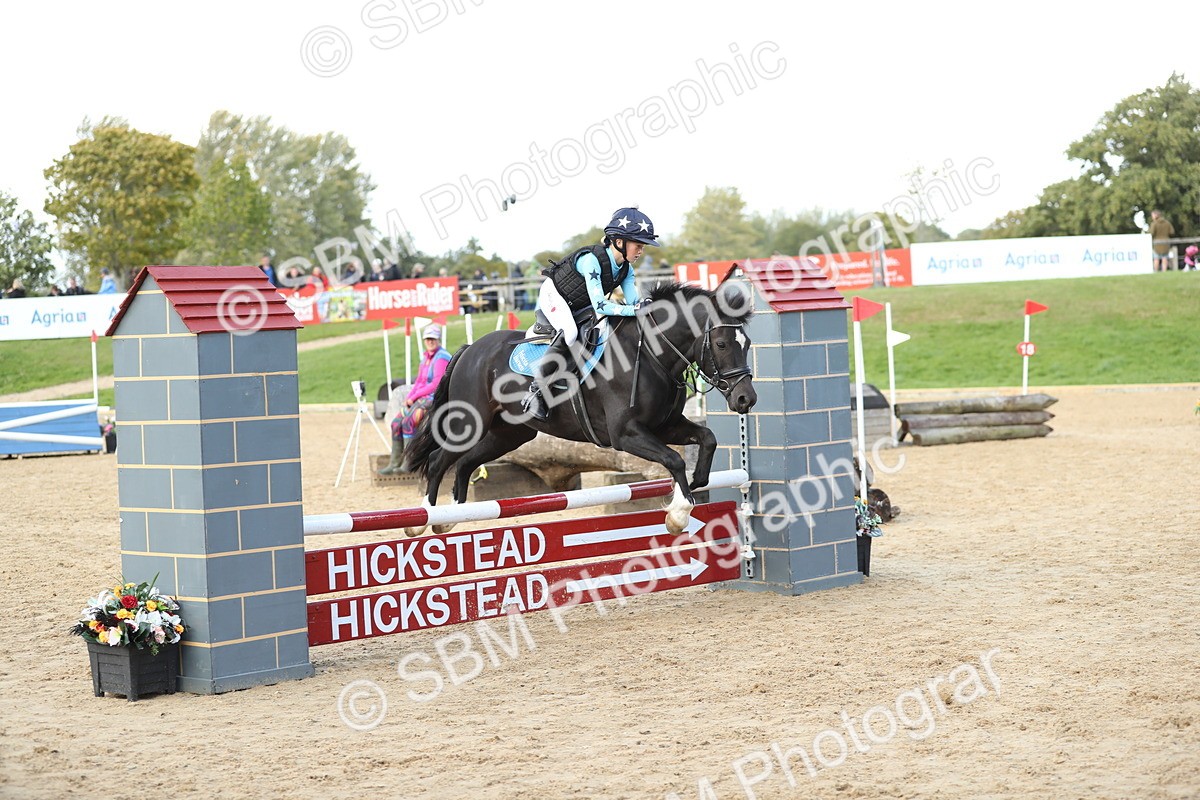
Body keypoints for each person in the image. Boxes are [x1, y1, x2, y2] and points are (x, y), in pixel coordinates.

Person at [522, 206, 660, 421]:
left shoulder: (626, 269)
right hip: (554, 295)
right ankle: (536, 392)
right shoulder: (591, 260)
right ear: (619, 242)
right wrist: (635, 309)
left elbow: (634, 303)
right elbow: (602, 307)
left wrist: (648, 305)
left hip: (578, 301)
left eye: (642, 246)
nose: (641, 251)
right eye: (638, 245)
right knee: (569, 332)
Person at [379, 324, 453, 475]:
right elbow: (419, 381)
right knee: (395, 424)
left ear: (438, 339)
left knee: (408, 422)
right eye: (428, 339)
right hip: (421, 398)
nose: (430, 341)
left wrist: (415, 397)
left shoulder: (442, 357)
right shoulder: (425, 357)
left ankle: (409, 462)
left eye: (433, 338)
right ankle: (394, 463)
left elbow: (436, 384)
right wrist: (410, 396)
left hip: (434, 398)